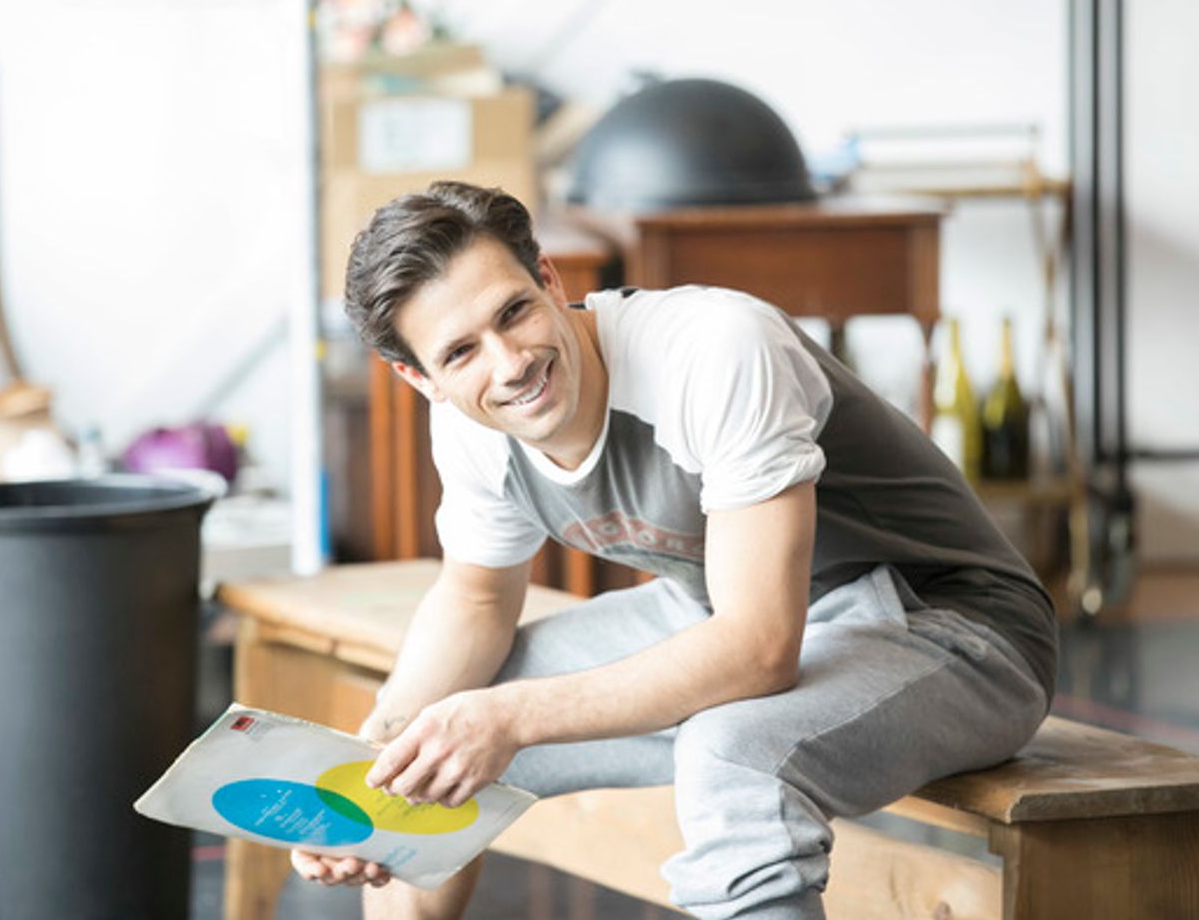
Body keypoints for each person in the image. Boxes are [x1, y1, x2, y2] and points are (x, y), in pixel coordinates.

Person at [290, 181, 1057, 919]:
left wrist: (506, 718)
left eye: (515, 310)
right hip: (717, 611)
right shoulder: (469, 425)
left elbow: (760, 648)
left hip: (953, 626)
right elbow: (477, 598)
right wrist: (374, 767)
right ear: (417, 377)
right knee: (434, 753)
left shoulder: (715, 347)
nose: (509, 361)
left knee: (733, 757)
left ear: (550, 278)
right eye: (460, 353)